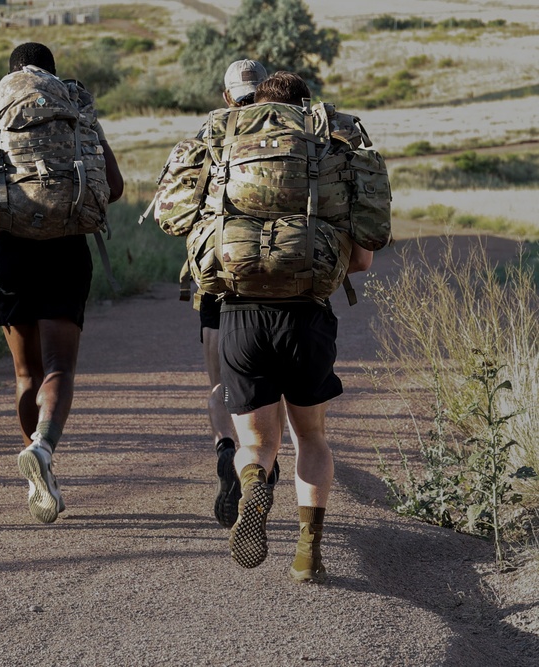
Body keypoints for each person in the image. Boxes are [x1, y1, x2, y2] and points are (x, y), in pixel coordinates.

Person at [0, 42, 125, 524]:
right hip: (66, 246)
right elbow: (117, 185)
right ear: (52, 73)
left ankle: (36, 474)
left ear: (10, 75)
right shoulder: (74, 108)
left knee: (25, 374)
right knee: (58, 367)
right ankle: (44, 447)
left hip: (10, 248)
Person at [217, 71, 375, 582]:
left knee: (257, 443)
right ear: (307, 108)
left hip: (241, 312)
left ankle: (253, 482)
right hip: (306, 314)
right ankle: (308, 551)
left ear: (256, 106)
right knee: (311, 437)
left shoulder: (227, 144)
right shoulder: (329, 149)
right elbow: (363, 262)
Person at [203, 60, 283, 529]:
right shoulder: (297, 131)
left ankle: (229, 452)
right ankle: (263, 465)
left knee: (221, 385)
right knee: (276, 387)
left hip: (225, 278)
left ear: (229, 95)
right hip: (291, 275)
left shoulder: (214, 133)